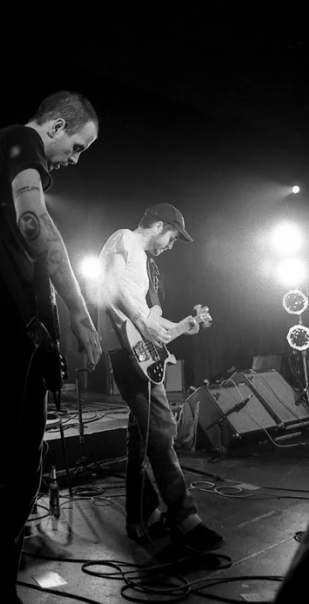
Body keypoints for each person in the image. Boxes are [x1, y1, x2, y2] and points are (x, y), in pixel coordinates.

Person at [0, 90, 102, 603]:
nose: (75, 160)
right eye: (78, 146)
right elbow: (34, 225)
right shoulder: (20, 143)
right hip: (6, 345)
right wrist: (82, 319)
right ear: (56, 126)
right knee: (13, 486)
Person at [97, 203, 224, 551]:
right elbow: (106, 285)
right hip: (126, 352)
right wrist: (141, 321)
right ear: (159, 225)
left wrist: (187, 325)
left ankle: (142, 515)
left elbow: (155, 325)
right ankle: (184, 517)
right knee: (163, 429)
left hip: (138, 352)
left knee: (141, 439)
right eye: (172, 237)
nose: (171, 245)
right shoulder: (124, 238)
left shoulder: (147, 265)